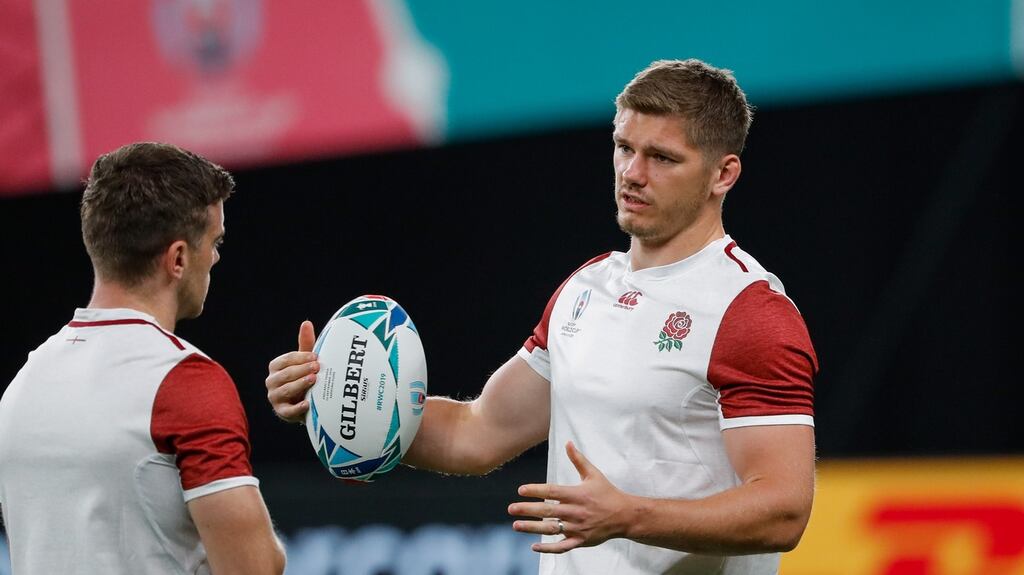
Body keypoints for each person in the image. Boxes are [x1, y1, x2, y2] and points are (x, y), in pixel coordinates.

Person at [266, 59, 818, 574]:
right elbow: (476, 433)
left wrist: (629, 516)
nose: (633, 172)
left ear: (724, 174)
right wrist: (338, 403)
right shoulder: (586, 288)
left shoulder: (749, 311)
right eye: (623, 148)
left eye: (663, 157)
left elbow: (784, 510)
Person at [0, 142, 286, 575]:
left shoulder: (22, 384)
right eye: (214, 241)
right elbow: (255, 569)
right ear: (177, 259)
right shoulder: (186, 382)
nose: (216, 257)